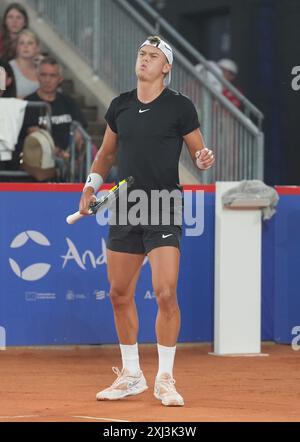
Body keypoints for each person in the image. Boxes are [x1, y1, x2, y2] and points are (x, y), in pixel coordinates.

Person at [79, 35, 215, 407]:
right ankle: (131, 375)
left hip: (164, 205)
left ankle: (166, 378)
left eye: (153, 56)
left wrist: (203, 160)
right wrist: (91, 187)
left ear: (166, 67)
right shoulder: (119, 105)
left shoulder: (180, 107)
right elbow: (106, 154)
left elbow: (198, 151)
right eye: (141, 53)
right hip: (125, 205)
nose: (145, 59)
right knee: (119, 293)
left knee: (166, 292)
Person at [19, 56, 87, 180]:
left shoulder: (69, 102)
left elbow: (79, 132)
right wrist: (60, 153)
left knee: (112, 173)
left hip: (70, 157)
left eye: (52, 76)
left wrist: (74, 152)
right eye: (44, 75)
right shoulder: (29, 103)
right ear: (38, 76)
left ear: (59, 78)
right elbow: (34, 137)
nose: (47, 80)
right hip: (40, 161)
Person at [9, 29, 40, 98]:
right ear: (17, 47)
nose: (25, 46)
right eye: (21, 43)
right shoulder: (6, 68)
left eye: (30, 43)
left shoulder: (42, 69)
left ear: (37, 48)